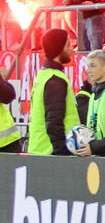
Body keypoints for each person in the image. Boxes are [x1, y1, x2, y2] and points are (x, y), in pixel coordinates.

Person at [27, 28, 78, 156]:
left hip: (40, 149)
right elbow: (54, 121)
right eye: (68, 45)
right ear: (59, 48)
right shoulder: (55, 80)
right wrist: (62, 152)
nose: (72, 49)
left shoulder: (43, 75)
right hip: (51, 152)